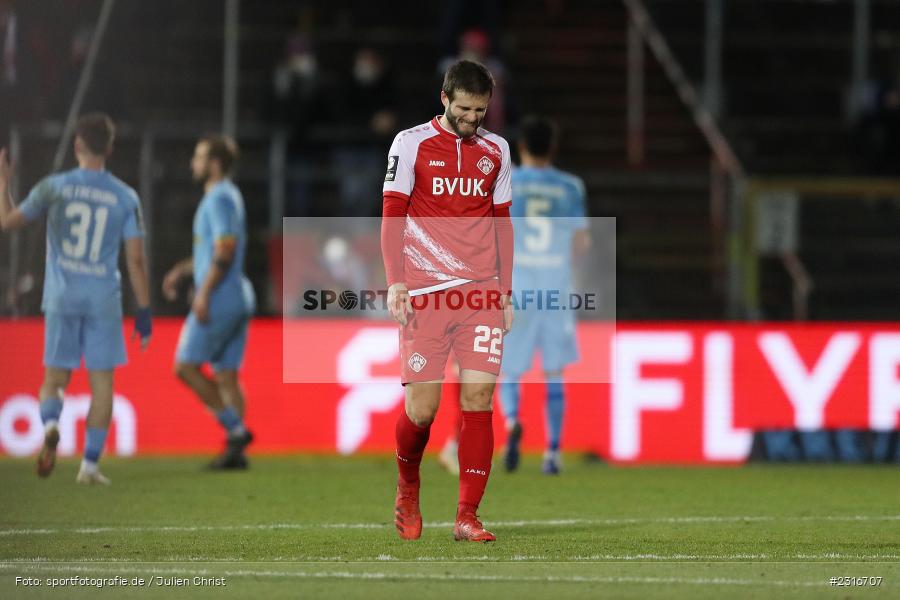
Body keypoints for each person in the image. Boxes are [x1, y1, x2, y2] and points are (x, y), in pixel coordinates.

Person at [382, 59, 514, 543]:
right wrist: (396, 282)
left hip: (479, 291)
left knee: (479, 399)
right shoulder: (410, 143)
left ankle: (467, 516)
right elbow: (392, 216)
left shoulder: (497, 151)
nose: (473, 119)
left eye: (480, 110)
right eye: (464, 109)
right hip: (424, 294)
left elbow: (503, 225)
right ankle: (408, 483)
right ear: (444, 98)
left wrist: (504, 292)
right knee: (423, 410)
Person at [0, 112, 152, 485]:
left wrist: (3, 184)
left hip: (62, 294)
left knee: (54, 378)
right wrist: (145, 310)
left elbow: (9, 223)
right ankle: (89, 466)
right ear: (111, 148)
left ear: (77, 145)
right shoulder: (125, 196)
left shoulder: (55, 187)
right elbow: (134, 258)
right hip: (103, 297)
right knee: (103, 387)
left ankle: (51, 423)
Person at [499, 116, 591, 475]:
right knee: (554, 371)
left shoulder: (507, 184)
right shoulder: (570, 186)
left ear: (521, 146)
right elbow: (581, 242)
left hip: (517, 288)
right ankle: (552, 452)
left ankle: (510, 423)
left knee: (510, 369)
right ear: (552, 147)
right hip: (555, 288)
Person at [162, 135, 255, 470]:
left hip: (221, 297)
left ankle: (237, 430)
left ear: (214, 164)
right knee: (227, 375)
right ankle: (236, 453)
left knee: (184, 367)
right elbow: (212, 250)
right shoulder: (228, 197)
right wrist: (183, 270)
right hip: (237, 294)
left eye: (199, 158)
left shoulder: (218, 198)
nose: (193, 164)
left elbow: (225, 249)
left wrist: (202, 293)